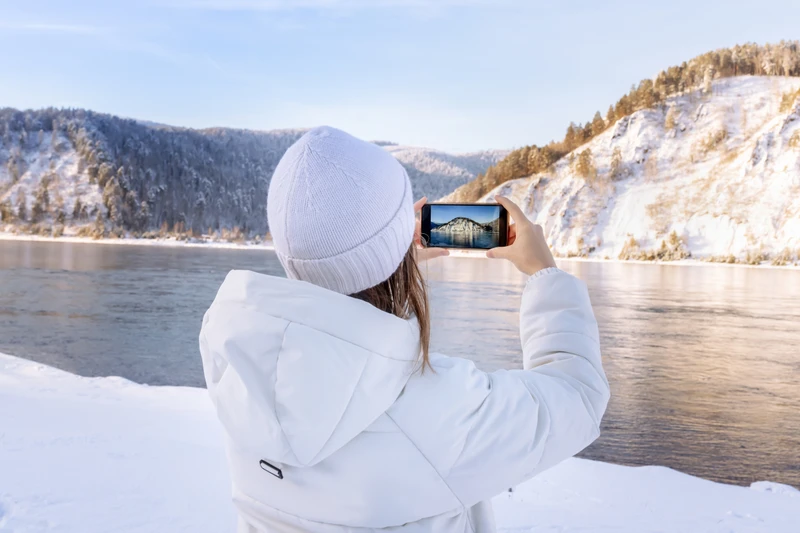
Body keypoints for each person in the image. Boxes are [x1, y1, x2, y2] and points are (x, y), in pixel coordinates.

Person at [199, 126, 610, 532]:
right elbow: (578, 396)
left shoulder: (241, 370)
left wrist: (386, 258)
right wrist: (543, 272)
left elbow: (335, 304)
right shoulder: (440, 413)